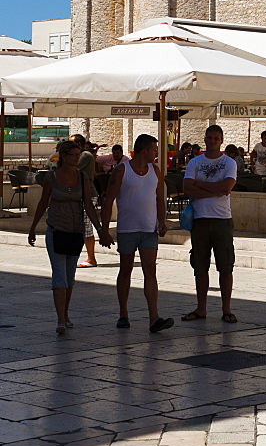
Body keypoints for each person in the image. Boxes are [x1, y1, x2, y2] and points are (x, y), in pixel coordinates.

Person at [28, 140, 111, 334]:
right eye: (73, 154)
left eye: (78, 154)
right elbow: (43, 203)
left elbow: (88, 205)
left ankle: (66, 315)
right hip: (56, 230)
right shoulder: (51, 177)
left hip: (76, 231)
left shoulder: (82, 177)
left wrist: (99, 229)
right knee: (59, 275)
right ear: (63, 156)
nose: (76, 158)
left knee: (70, 276)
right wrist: (33, 227)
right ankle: (60, 320)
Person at [101, 133, 173, 334]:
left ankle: (154, 317)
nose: (156, 153)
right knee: (126, 270)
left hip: (149, 229)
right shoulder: (122, 171)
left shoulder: (155, 171)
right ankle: (123, 313)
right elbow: (108, 201)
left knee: (150, 270)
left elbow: (160, 199)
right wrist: (104, 230)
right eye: (154, 149)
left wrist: (162, 221)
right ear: (144, 151)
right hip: (127, 229)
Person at [181, 125, 238, 323]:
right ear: (204, 139)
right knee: (200, 266)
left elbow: (227, 186)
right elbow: (187, 188)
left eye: (216, 138)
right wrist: (215, 189)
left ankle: (227, 309)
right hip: (200, 219)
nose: (212, 141)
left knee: (225, 266)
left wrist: (201, 185)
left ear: (221, 140)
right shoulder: (195, 162)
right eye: (209, 137)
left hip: (222, 219)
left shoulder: (229, 162)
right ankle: (201, 308)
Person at [71, 134, 98, 269]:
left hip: (88, 194)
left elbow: (73, 167)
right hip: (79, 194)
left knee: (86, 226)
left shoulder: (85, 155)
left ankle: (91, 258)